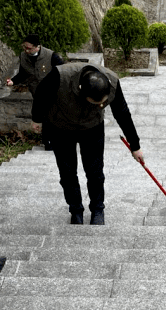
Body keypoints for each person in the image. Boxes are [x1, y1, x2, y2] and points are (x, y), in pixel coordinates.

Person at [31, 62, 143, 225]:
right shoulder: (60, 76)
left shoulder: (112, 82)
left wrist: (135, 146)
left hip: (92, 128)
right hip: (61, 127)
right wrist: (37, 118)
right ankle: (76, 210)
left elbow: (122, 113)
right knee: (67, 173)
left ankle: (98, 209)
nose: (99, 106)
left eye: (102, 104)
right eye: (94, 103)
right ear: (81, 90)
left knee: (95, 172)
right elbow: (41, 93)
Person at [5, 33, 64, 150]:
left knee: (50, 115)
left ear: (37, 47)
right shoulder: (23, 57)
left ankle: (50, 143)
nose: (26, 50)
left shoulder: (51, 55)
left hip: (51, 92)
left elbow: (62, 70)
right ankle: (47, 141)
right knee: (42, 116)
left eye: (29, 48)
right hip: (36, 92)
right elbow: (23, 74)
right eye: (24, 47)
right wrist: (13, 81)